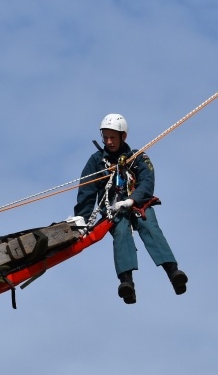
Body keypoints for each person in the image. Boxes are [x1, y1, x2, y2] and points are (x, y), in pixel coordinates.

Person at [73, 113, 187, 304]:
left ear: (123, 137)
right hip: (113, 208)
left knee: (149, 225)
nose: (108, 142)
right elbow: (87, 190)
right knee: (121, 231)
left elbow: (147, 181)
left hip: (138, 203)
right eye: (105, 137)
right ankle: (127, 283)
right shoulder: (97, 162)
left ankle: (173, 272)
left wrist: (132, 200)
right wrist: (81, 220)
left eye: (113, 138)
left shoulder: (138, 158)